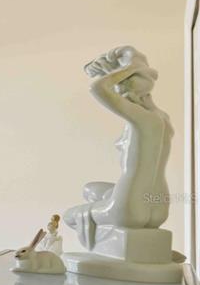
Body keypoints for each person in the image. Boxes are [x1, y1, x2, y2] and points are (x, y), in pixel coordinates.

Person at [63, 47, 172, 249]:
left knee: (69, 216)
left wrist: (131, 67)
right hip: (159, 205)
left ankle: (109, 249)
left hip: (129, 204)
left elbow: (97, 88)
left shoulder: (142, 120)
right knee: (92, 189)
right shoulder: (162, 119)